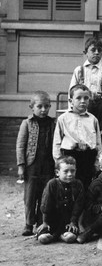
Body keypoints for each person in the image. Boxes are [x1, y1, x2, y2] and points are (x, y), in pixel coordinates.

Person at [16, 91, 56, 236]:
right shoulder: (27, 123)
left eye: (46, 106)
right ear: (31, 107)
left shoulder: (53, 123)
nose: (43, 110)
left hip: (48, 165)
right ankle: (28, 223)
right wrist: (21, 166)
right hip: (32, 165)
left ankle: (41, 222)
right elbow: (20, 145)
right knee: (30, 195)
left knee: (45, 194)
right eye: (40, 106)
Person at [53, 84, 102, 190]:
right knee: (69, 185)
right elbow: (57, 142)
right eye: (78, 98)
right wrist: (58, 162)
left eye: (86, 98)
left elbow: (98, 142)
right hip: (70, 156)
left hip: (88, 157)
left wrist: (98, 162)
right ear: (71, 101)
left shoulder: (93, 119)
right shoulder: (63, 119)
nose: (83, 101)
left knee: (85, 185)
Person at [36, 156, 84, 244]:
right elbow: (46, 204)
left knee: (71, 237)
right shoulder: (52, 184)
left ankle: (60, 236)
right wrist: (45, 222)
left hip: (67, 221)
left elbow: (78, 205)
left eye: (72, 171)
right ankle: (53, 235)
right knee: (43, 238)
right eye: (65, 171)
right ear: (57, 172)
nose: (70, 174)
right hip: (51, 220)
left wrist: (73, 222)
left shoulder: (78, 184)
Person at [69, 37, 102, 121]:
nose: (96, 53)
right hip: (83, 106)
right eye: (93, 50)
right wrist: (71, 109)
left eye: (99, 50)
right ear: (86, 52)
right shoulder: (79, 70)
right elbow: (71, 92)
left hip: (101, 109)